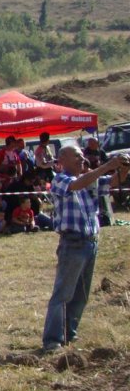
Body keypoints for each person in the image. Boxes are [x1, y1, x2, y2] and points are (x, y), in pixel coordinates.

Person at [40, 146, 130, 352]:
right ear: (63, 159)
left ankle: (69, 334)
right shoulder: (60, 179)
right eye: (77, 156)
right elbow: (76, 184)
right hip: (73, 243)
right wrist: (107, 165)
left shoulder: (89, 179)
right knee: (63, 293)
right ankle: (52, 340)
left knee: (81, 294)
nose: (82, 159)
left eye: (82, 155)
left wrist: (123, 168)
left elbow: (113, 182)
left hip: (90, 242)